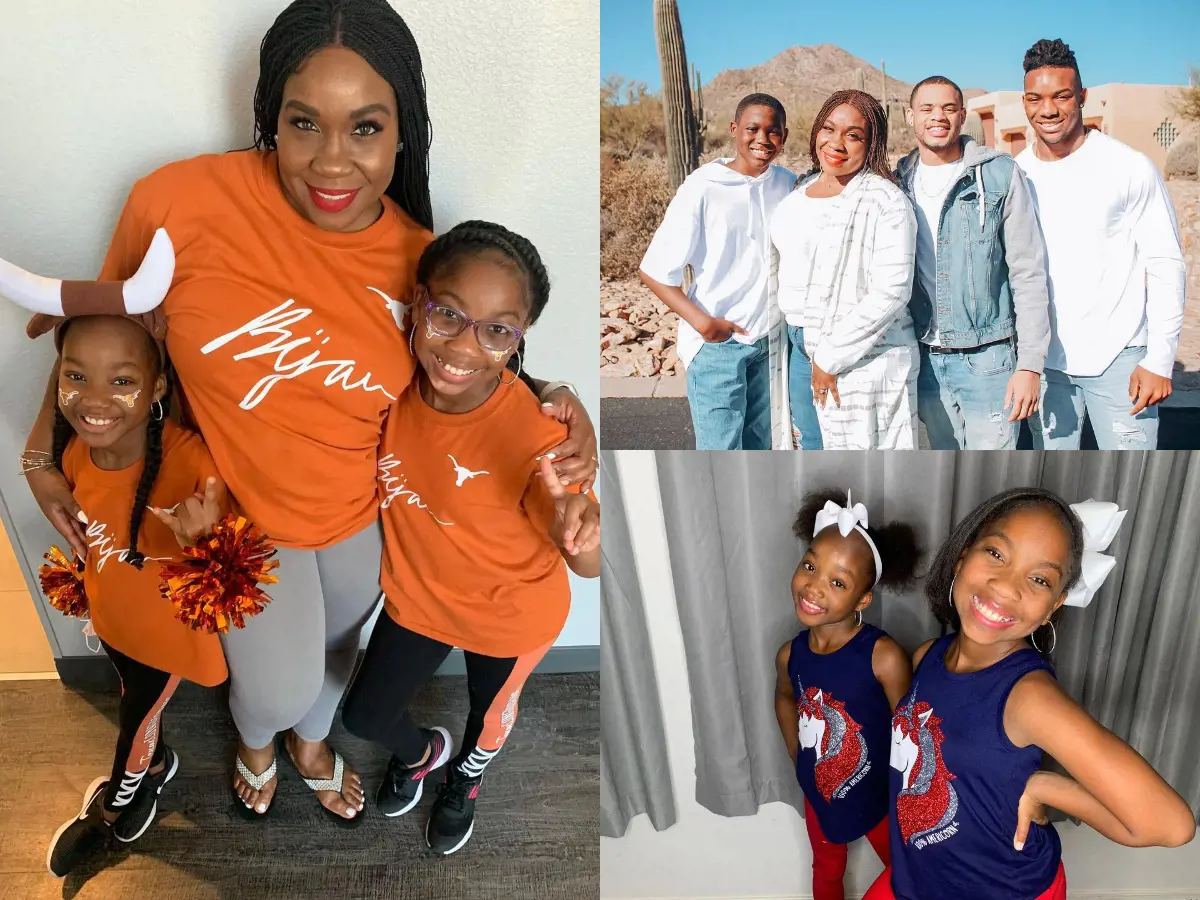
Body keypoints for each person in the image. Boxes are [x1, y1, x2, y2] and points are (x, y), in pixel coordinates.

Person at [21, 0, 597, 824]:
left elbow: (471, 364)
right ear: (271, 118)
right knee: (277, 684)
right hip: (247, 526)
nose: (333, 163)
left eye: (365, 128)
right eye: (304, 123)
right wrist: (41, 456)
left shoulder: (419, 261)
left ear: (403, 131)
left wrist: (559, 403)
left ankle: (311, 746)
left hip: (367, 520)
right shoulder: (178, 204)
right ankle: (260, 744)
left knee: (335, 660)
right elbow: (104, 341)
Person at [1, 249, 273, 876]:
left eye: (121, 381)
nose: (94, 400)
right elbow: (49, 452)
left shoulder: (193, 464)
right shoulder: (69, 452)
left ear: (154, 388)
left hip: (162, 641)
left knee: (136, 720)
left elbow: (242, 581)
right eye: (76, 377)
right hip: (113, 617)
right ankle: (148, 767)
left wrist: (208, 543)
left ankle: (122, 804)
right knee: (130, 694)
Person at [340, 222, 599, 855]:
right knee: (363, 717)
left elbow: (588, 564)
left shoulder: (537, 432)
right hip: (419, 602)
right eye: (448, 315)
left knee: (487, 720)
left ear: (519, 339)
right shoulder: (385, 388)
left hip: (509, 615)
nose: (463, 345)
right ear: (419, 301)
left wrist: (582, 533)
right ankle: (427, 752)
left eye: (496, 329)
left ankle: (466, 780)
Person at [863, 489, 1196, 900]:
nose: (1006, 586)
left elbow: (1169, 824)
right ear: (963, 556)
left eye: (1039, 579)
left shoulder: (1030, 697)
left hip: (1002, 889)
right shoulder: (928, 656)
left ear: (1054, 605)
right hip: (918, 878)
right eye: (997, 555)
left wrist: (1047, 788)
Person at [1015, 39, 1185, 450]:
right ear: (1025, 102)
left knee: (1130, 478)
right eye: (1036, 98)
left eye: (1062, 96)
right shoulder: (1017, 173)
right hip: (1045, 366)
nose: (1049, 109)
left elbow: (1165, 263)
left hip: (1121, 358)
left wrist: (1159, 359)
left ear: (1083, 97)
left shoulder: (1127, 166)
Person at [774, 490, 918, 900]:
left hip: (879, 800)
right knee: (827, 870)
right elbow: (784, 697)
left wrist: (903, 793)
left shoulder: (883, 657)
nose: (814, 587)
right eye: (809, 566)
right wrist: (797, 754)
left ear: (863, 599)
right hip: (820, 795)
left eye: (837, 582)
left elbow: (911, 732)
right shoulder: (791, 654)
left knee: (908, 870)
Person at [895, 76, 1050, 450]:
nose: (938, 117)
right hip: (925, 358)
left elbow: (1027, 272)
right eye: (927, 108)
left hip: (989, 360)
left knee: (992, 474)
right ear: (909, 115)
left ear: (962, 115)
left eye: (949, 108)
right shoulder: (898, 181)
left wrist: (1029, 365)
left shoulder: (999, 173)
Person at [640, 93, 797, 450]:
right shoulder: (704, 186)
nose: (762, 139)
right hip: (719, 347)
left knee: (763, 447)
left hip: (770, 341)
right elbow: (653, 271)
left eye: (773, 132)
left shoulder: (787, 185)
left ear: (784, 137)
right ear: (734, 130)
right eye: (752, 129)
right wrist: (704, 324)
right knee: (719, 452)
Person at [770, 90, 918, 450]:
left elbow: (893, 290)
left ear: (872, 145)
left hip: (857, 353)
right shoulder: (794, 200)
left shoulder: (886, 201)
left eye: (853, 135)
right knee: (809, 448)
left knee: (856, 457)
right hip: (798, 347)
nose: (837, 143)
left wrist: (830, 356)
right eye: (829, 129)